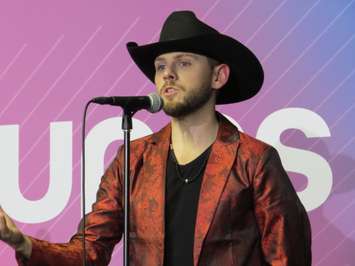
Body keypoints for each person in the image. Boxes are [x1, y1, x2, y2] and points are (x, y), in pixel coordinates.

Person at [0, 10, 312, 266]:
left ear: (218, 76)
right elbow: (90, 252)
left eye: (184, 62)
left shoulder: (254, 160)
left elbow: (287, 258)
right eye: (160, 65)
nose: (167, 74)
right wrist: (22, 242)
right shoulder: (132, 159)